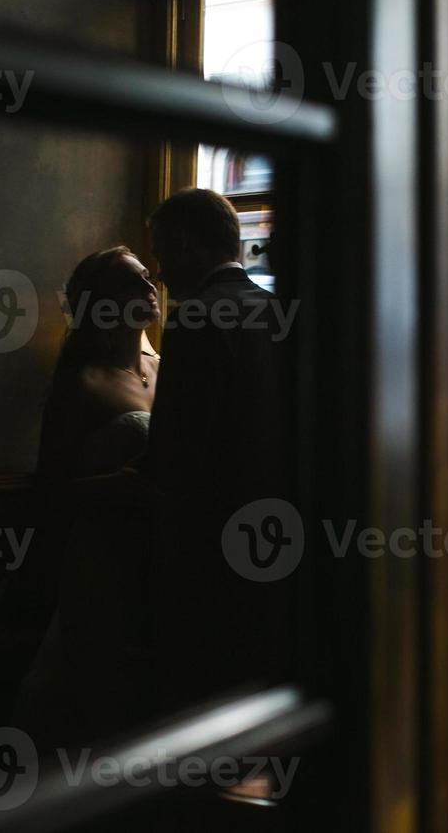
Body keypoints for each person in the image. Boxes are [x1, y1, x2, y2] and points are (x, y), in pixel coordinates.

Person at [139, 188, 292, 712]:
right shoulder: (276, 310)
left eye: (160, 254)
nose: (159, 272)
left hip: (209, 541)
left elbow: (177, 449)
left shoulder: (195, 316)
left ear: (184, 243)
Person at [15, 246, 161, 749]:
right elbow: (50, 489)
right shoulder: (82, 380)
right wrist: (114, 489)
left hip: (160, 554)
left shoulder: (168, 367)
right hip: (101, 555)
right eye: (129, 284)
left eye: (147, 276)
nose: (148, 289)